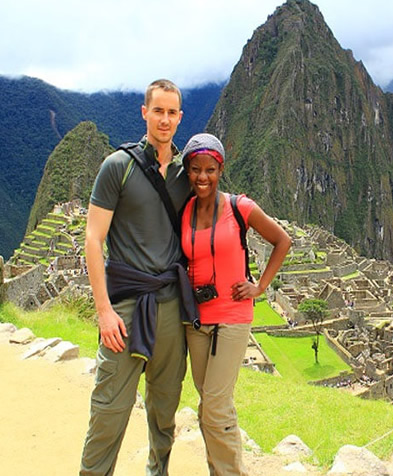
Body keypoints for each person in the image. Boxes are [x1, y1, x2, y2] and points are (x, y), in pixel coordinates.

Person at [80, 79, 193, 475]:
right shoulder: (117, 167)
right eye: (157, 110)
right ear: (144, 112)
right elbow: (93, 239)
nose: (164, 119)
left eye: (171, 112)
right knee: (109, 408)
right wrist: (104, 312)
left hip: (169, 308)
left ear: (180, 117)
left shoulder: (186, 174)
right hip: (125, 308)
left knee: (164, 409)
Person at [181, 133, 291, 475]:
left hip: (233, 314)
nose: (203, 177)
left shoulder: (238, 207)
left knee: (214, 404)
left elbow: (281, 240)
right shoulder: (183, 211)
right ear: (187, 171)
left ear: (221, 169)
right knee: (211, 405)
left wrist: (260, 286)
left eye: (210, 169)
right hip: (196, 319)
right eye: (196, 169)